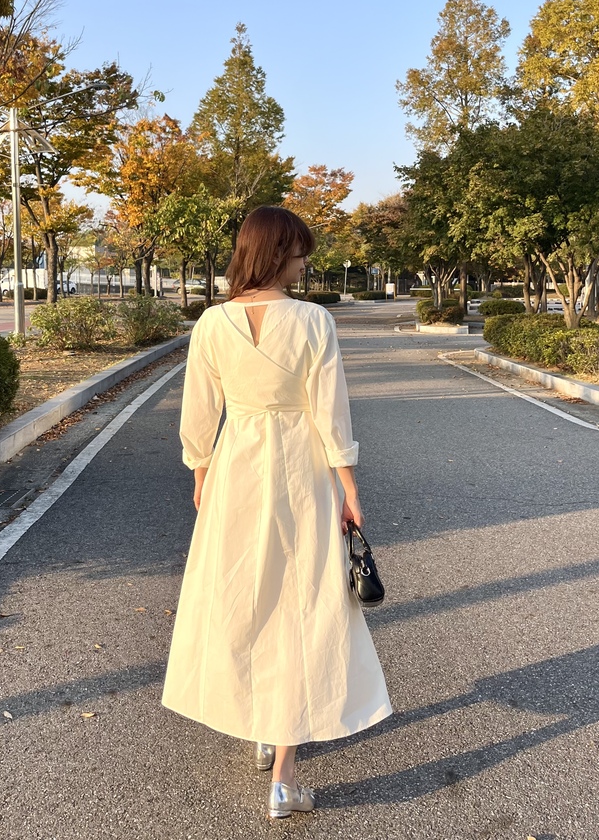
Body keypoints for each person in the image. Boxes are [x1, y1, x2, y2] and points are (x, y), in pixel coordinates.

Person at [161, 205, 391, 820]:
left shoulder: (213, 323)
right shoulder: (313, 320)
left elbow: (198, 412)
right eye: (298, 250)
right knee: (302, 604)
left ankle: (264, 725)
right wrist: (349, 486)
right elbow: (330, 412)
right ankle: (284, 777)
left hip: (235, 469)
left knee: (246, 599)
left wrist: (201, 473)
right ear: (277, 252)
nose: (305, 260)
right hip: (301, 472)